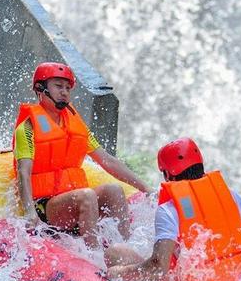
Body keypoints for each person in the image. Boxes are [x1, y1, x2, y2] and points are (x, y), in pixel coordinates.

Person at [105, 137, 241, 281]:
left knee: (115, 253)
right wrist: (227, 247)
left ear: (168, 175)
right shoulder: (230, 196)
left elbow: (158, 268)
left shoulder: (169, 210)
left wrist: (118, 272)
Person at [13, 62, 152, 248]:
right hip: (45, 206)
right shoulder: (27, 129)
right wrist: (30, 212)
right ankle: (94, 257)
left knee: (115, 191)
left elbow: (107, 160)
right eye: (58, 86)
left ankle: (125, 248)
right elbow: (23, 172)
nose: (64, 92)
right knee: (86, 196)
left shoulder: (75, 127)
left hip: (73, 200)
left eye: (68, 88)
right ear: (41, 88)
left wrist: (147, 189)